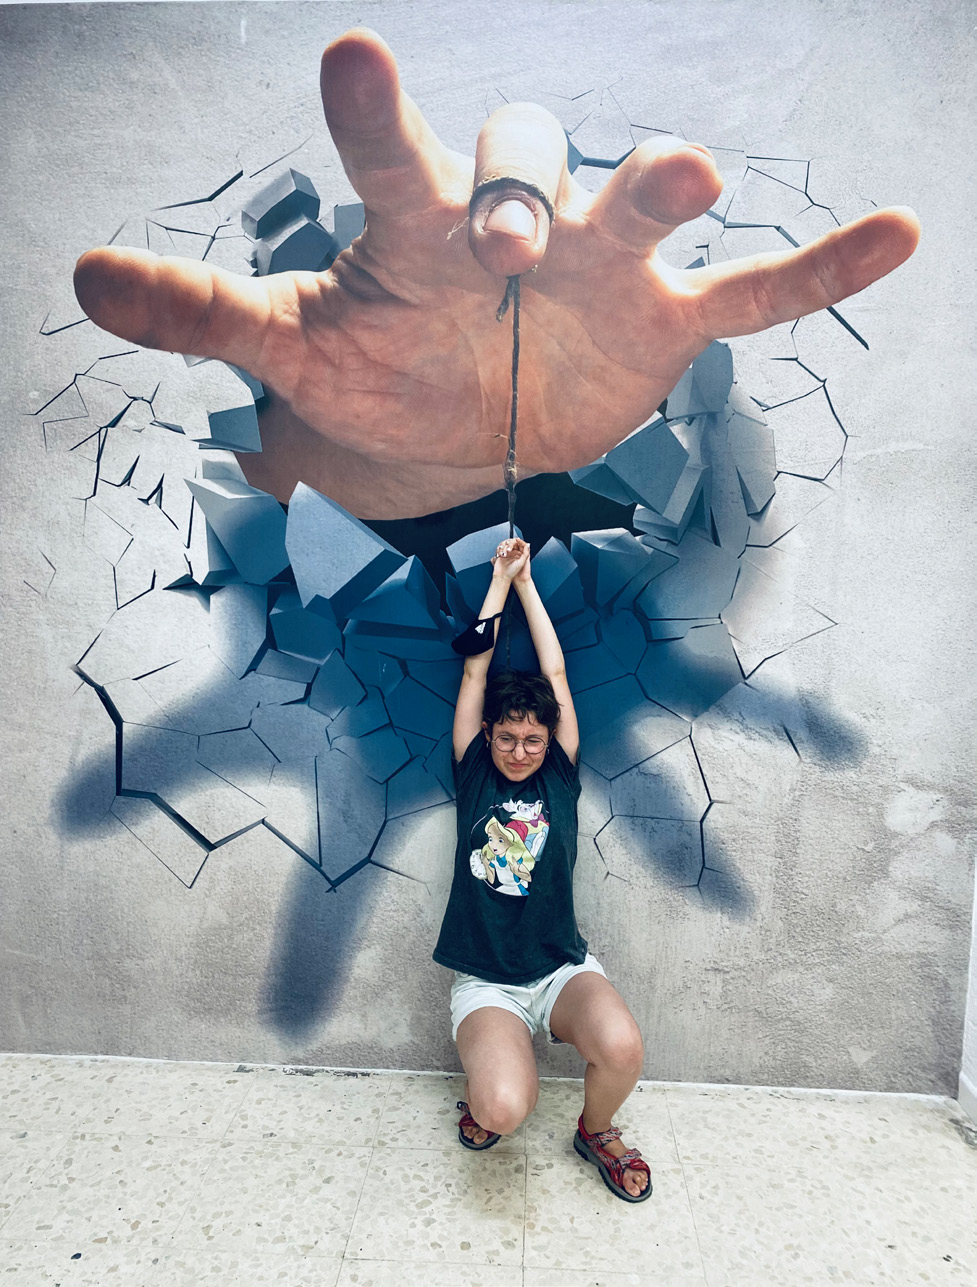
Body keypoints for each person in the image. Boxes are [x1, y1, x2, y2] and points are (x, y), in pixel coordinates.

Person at [72, 28, 919, 522]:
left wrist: (499, 454)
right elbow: (242, 487)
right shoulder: (316, 362)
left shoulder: (666, 472)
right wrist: (381, 454)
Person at [433, 535, 652, 1202]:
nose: (520, 749)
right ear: (488, 734)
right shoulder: (473, 770)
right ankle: (491, 1089)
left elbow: (555, 677)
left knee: (622, 1047)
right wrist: (500, 578)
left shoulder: (559, 773)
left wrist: (530, 585)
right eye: (507, 736)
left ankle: (595, 1129)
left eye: (532, 738)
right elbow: (474, 674)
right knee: (503, 1108)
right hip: (488, 981)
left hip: (561, 966)